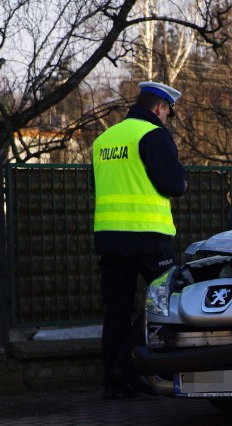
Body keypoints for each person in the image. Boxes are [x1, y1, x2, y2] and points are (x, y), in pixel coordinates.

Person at [92, 81, 186, 400]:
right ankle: (126, 367)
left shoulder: (104, 139)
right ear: (159, 108)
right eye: (167, 114)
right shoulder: (153, 134)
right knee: (168, 298)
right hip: (148, 237)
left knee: (117, 309)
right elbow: (172, 184)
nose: (166, 119)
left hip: (109, 237)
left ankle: (113, 382)